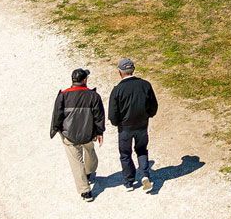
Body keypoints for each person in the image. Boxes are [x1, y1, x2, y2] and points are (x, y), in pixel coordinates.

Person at [49, 67, 107, 201]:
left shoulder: (63, 95)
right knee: (91, 153)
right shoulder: (93, 96)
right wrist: (99, 132)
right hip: (88, 133)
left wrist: (56, 129)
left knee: (76, 162)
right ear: (85, 80)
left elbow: (57, 114)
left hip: (69, 135)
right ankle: (88, 172)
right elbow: (99, 116)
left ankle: (85, 191)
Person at [108, 58, 159, 193]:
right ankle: (145, 175)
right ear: (133, 70)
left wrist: (117, 123)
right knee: (142, 150)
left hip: (125, 128)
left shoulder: (117, 90)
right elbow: (153, 106)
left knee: (125, 153)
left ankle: (129, 182)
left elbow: (113, 114)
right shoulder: (145, 85)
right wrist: (148, 115)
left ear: (120, 72)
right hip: (142, 125)